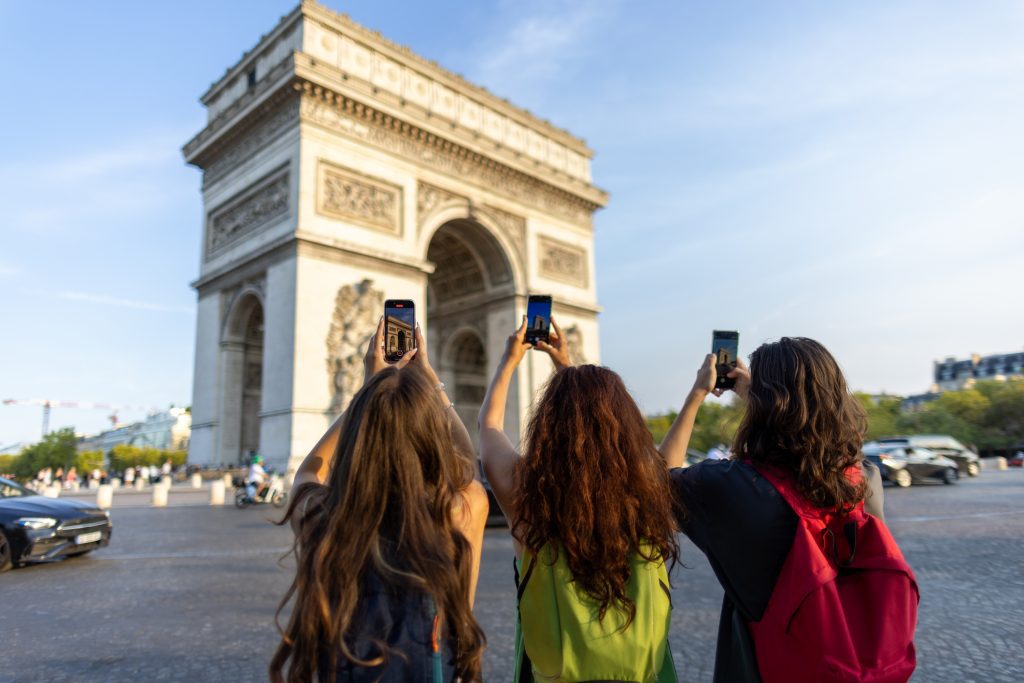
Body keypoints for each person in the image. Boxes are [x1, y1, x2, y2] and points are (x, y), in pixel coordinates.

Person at [658, 337, 916, 683]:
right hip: (858, 664)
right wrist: (759, 395)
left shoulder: (730, 487)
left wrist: (697, 395)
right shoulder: (865, 478)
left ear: (762, 407)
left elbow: (659, 482)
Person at [270, 318, 488, 683]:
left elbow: (308, 472)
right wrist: (430, 379)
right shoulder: (456, 512)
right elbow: (468, 464)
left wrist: (370, 392)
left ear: (360, 431)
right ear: (431, 439)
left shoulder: (327, 516)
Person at [479, 316, 680, 682]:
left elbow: (489, 426)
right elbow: (653, 455)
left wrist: (509, 360)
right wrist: (569, 370)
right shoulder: (648, 494)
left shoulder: (526, 496)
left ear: (547, 423)